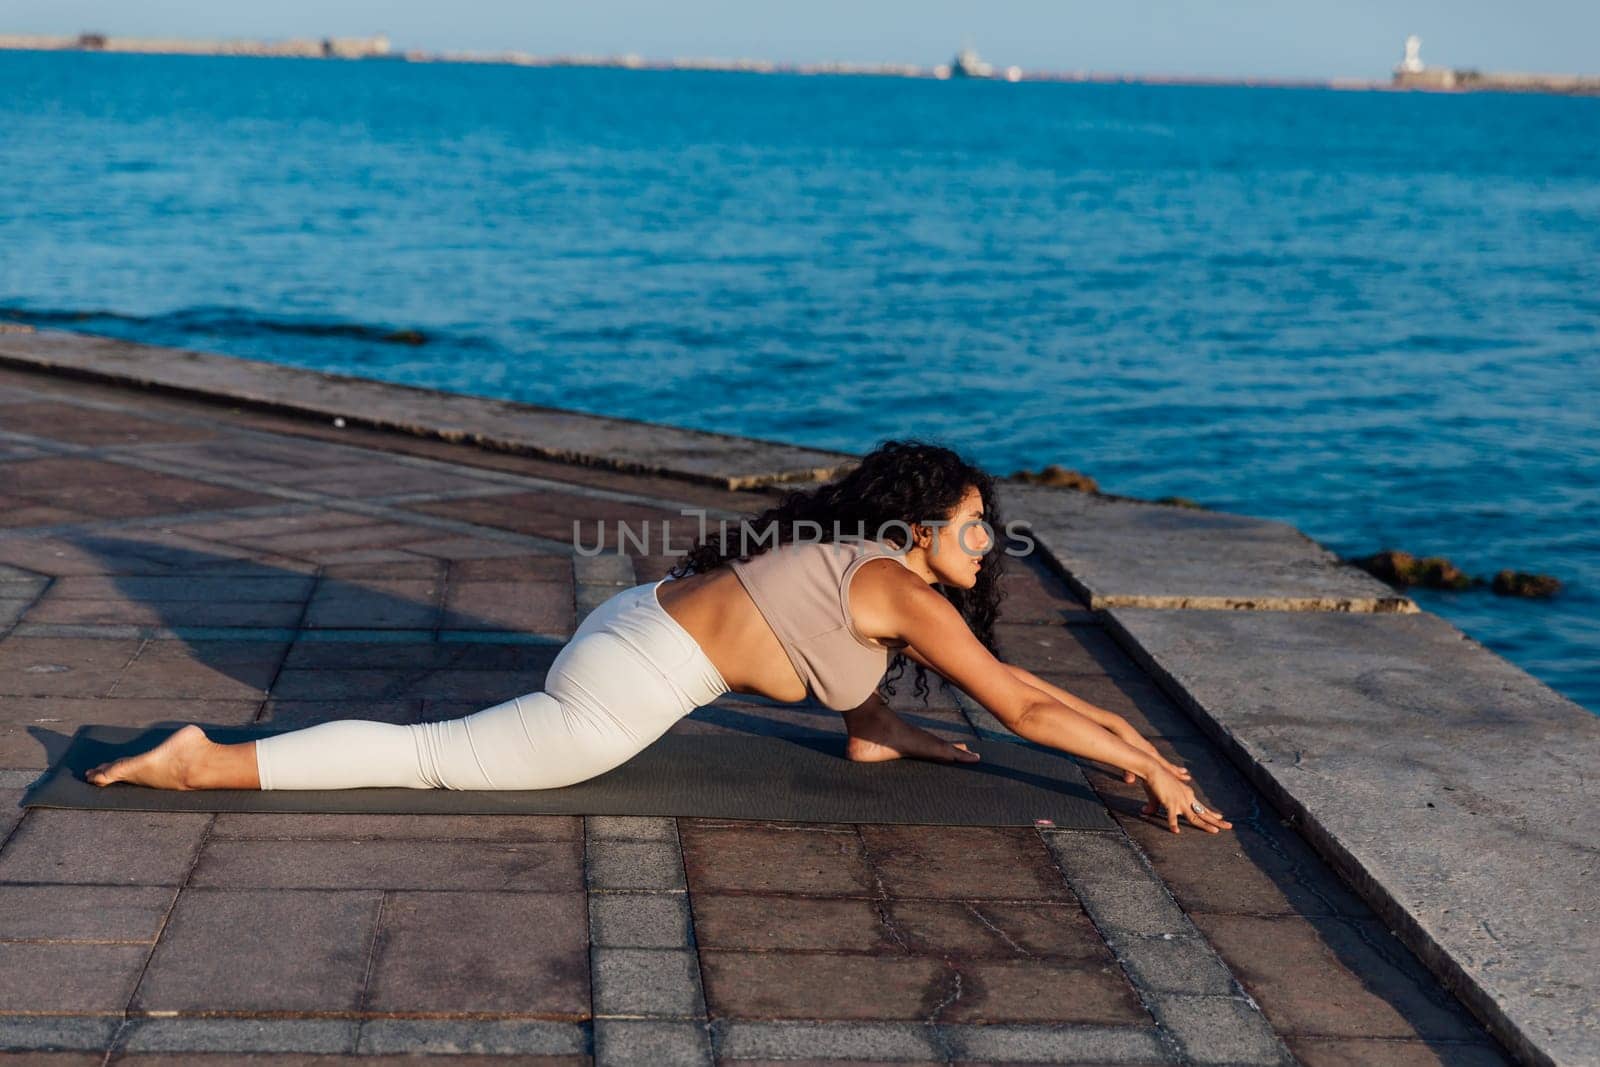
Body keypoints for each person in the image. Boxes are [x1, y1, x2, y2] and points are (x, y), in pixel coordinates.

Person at [87, 439, 1230, 836]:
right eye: (978, 526)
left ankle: (876, 738)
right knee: (434, 754)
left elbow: (984, 678)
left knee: (874, 696)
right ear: (926, 528)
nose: (992, 540)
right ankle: (209, 760)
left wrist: (1146, 755)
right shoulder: (911, 596)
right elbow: (1022, 704)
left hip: (630, 617)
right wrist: (1142, 762)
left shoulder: (862, 566)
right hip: (622, 688)